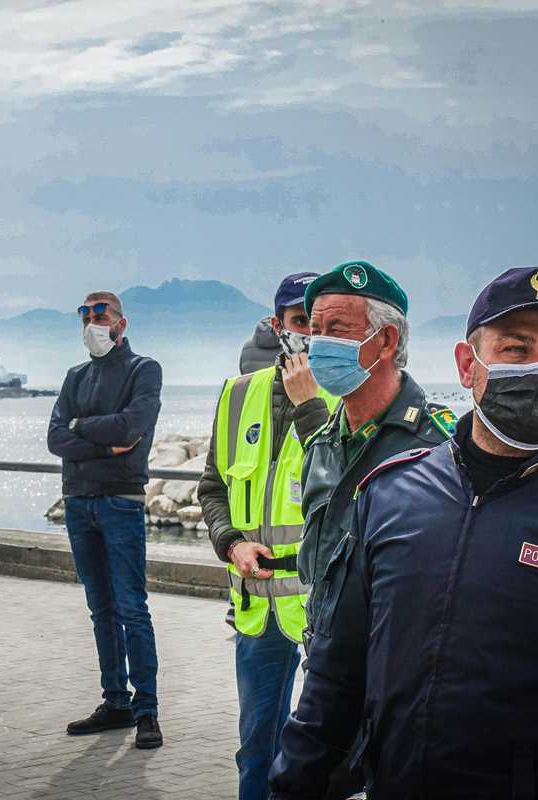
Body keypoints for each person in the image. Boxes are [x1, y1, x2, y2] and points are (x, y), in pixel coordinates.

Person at [269, 267, 538, 800]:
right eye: (516, 349)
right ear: (468, 365)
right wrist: (292, 784)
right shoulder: (391, 492)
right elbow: (337, 671)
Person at [290, 260, 456, 799]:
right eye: (313, 329)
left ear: (385, 341)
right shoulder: (324, 443)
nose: (317, 345)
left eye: (335, 330)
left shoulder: (441, 446)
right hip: (326, 671)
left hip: (405, 685)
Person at [197, 272, 338, 800]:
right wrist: (230, 543)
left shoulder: (350, 394)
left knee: (332, 754)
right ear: (278, 325)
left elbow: (350, 486)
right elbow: (212, 488)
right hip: (258, 608)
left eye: (320, 323)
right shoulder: (236, 396)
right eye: (300, 322)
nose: (309, 334)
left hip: (325, 607)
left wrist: (309, 405)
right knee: (257, 749)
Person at [47, 290, 165, 750]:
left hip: (121, 502)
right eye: (85, 314)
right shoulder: (75, 376)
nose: (92, 321)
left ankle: (147, 711)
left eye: (101, 314)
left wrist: (82, 429)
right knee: (102, 610)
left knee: (132, 609)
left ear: (122, 322)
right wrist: (95, 439)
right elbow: (56, 437)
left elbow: (130, 428)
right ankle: (115, 702)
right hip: (78, 502)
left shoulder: (144, 370)